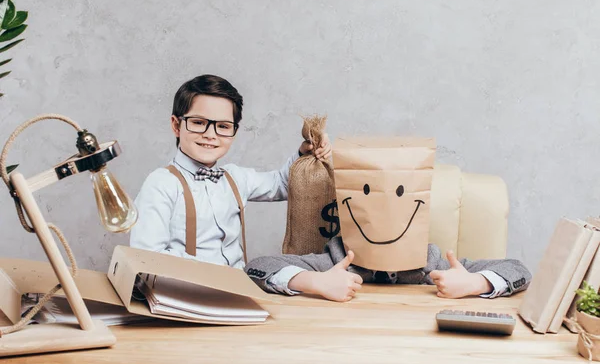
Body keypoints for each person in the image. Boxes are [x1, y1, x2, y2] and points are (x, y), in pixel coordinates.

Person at [130, 74, 331, 271]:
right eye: (198, 122)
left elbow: (284, 184)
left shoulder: (235, 178)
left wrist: (304, 154)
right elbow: (147, 256)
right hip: (186, 294)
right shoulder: (161, 183)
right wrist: (214, 273)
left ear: (233, 132)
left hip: (237, 290)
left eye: (223, 126)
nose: (210, 135)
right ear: (176, 125)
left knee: (281, 268)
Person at [245, 236, 532, 302]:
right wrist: (313, 281)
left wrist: (475, 283)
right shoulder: (336, 261)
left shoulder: (433, 264)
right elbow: (256, 267)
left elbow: (519, 270)